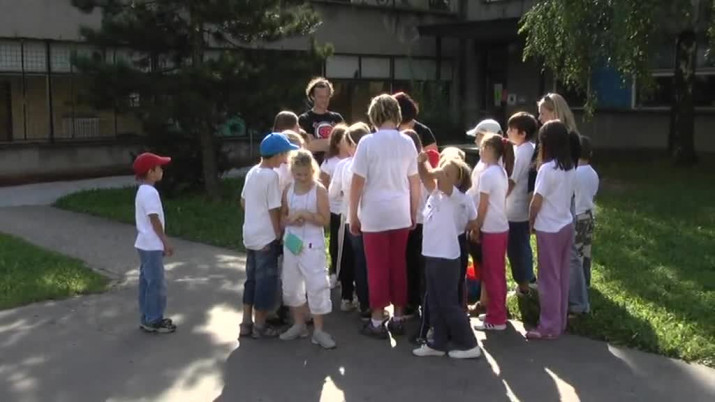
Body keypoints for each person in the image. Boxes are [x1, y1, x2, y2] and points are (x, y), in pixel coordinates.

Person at [350, 94, 420, 339]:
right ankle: (398, 317)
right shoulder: (408, 142)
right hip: (400, 210)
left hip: (374, 213)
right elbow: (414, 182)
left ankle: (377, 319)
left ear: (374, 115)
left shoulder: (367, 142)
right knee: (398, 264)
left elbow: (357, 182)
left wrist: (353, 214)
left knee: (377, 267)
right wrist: (413, 211)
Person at [412, 155, 481, 359]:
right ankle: (438, 342)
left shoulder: (458, 197)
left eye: (448, 173)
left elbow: (473, 220)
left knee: (448, 303)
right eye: (442, 170)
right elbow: (426, 176)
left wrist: (434, 170)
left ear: (458, 181)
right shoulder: (436, 194)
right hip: (432, 255)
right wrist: (421, 163)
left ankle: (469, 344)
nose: (442, 174)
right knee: (434, 302)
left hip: (446, 259)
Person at [240, 132, 298, 339]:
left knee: (251, 279)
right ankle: (260, 325)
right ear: (278, 154)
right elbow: (274, 208)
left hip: (250, 234)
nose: (286, 158)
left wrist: (254, 214)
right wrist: (277, 232)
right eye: (285, 154)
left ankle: (246, 322)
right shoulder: (271, 176)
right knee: (266, 281)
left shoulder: (252, 172)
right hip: (266, 236)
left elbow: (243, 201)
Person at [278, 150, 336, 349]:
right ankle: (299, 324)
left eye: (305, 174)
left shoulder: (319, 190)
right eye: (297, 174)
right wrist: (289, 220)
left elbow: (325, 220)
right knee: (291, 284)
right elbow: (283, 216)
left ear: (312, 171)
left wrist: (306, 215)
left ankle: (319, 330)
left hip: (312, 245)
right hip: (292, 242)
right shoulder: (288, 189)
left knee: (316, 285)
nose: (302, 178)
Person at [537, 93, 588, 315]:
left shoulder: (570, 138)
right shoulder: (548, 137)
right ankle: (559, 297)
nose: (539, 118)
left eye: (543, 113)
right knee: (555, 255)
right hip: (552, 198)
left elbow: (567, 169)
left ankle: (578, 302)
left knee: (570, 254)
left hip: (564, 198)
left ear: (554, 112)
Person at [526, 121, 576, 340]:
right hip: (566, 224)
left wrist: (530, 222)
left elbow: (536, 201)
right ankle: (559, 321)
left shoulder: (547, 169)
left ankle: (548, 326)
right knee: (561, 276)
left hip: (549, 228)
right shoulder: (570, 166)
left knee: (548, 278)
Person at [472, 133, 514, 332]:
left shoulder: (487, 174)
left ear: (490, 150)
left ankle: (496, 318)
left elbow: (482, 206)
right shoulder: (500, 171)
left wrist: (476, 227)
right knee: (497, 273)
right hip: (500, 227)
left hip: (492, 229)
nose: (480, 151)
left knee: (493, 275)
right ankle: (496, 312)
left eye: (483, 147)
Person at [330, 122, 372, 317]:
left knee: (349, 259)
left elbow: (332, 193)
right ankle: (369, 303)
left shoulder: (344, 165)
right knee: (367, 262)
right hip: (372, 219)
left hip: (349, 217)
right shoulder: (373, 163)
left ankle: (350, 298)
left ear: (351, 144)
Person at [133, 152, 176, 334]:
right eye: (159, 168)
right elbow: (154, 218)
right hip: (152, 244)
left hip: (144, 243)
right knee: (156, 283)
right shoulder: (150, 193)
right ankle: (154, 320)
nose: (161, 170)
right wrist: (165, 241)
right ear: (151, 172)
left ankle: (147, 316)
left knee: (147, 282)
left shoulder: (142, 190)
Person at [465, 119, 502, 316]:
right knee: (481, 264)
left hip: (485, 223)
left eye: (479, 136)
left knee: (488, 266)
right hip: (480, 220)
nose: (476, 140)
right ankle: (484, 301)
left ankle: (489, 306)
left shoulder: (492, 168)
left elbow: (483, 200)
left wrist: (476, 225)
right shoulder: (486, 164)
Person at [505, 112, 539, 297]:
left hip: (516, 211)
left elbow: (512, 180)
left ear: (523, 133)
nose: (508, 132)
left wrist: (498, 198)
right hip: (518, 209)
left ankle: (525, 286)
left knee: (517, 249)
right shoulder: (527, 148)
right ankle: (528, 281)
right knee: (521, 246)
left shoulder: (523, 151)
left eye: (511, 129)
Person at [402, 129, 429, 318]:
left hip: (413, 221)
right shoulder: (424, 165)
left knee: (411, 264)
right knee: (417, 264)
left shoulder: (413, 167)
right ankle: (416, 301)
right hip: (422, 221)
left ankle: (412, 302)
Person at [321, 124, 349, 289]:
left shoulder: (354, 160)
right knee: (335, 243)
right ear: (337, 143)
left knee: (348, 245)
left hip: (349, 211)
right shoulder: (329, 162)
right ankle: (334, 273)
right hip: (335, 209)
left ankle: (347, 274)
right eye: (345, 139)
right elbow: (323, 186)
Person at [574, 136, 599, 289]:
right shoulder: (593, 173)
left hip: (577, 216)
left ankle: (577, 284)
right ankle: (586, 281)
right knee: (586, 250)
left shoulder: (574, 173)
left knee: (575, 253)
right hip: (589, 215)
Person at [299, 77, 344, 162]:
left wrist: (319, 143)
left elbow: (345, 144)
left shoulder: (337, 118)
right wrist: (335, 144)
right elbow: (309, 146)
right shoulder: (305, 119)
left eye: (327, 96)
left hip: (335, 165)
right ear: (313, 96)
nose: (324, 100)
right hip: (314, 165)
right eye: (320, 97)